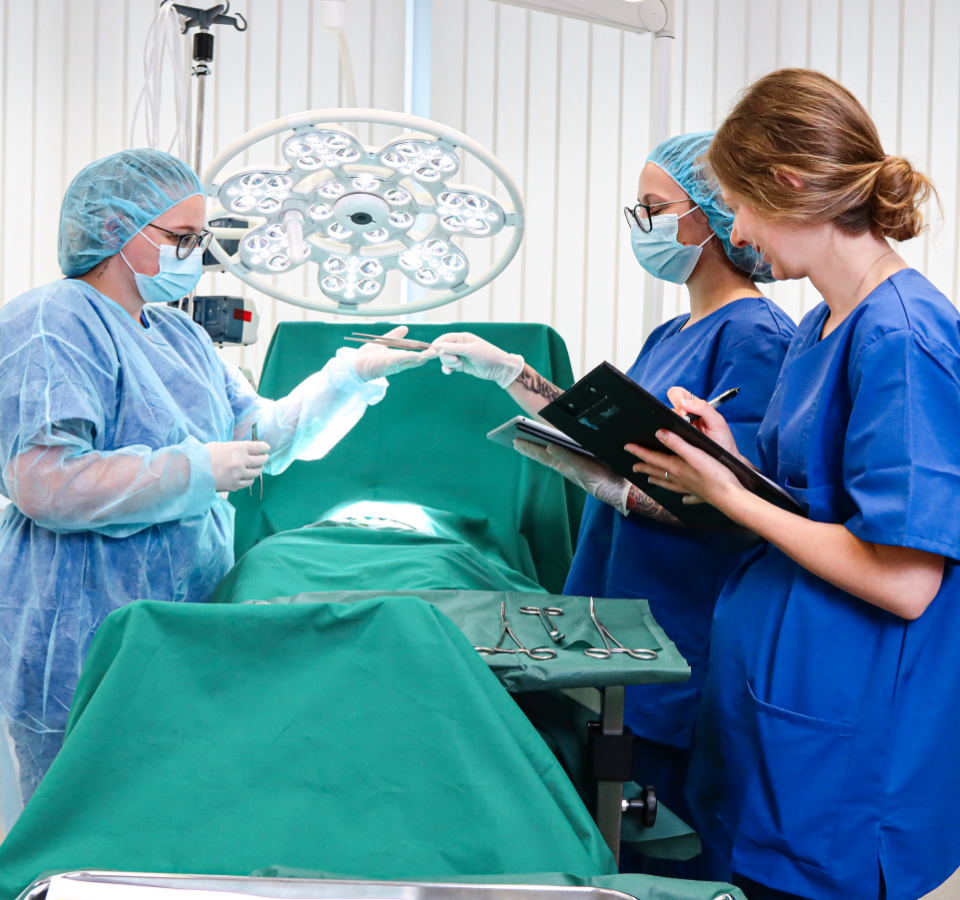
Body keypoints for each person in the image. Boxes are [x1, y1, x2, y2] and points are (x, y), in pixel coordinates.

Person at [0, 149, 433, 814]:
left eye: (201, 240)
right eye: (181, 238)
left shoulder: (180, 336)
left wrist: (348, 378)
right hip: (81, 623)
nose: (195, 256)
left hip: (182, 616)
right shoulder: (55, 320)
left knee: (163, 813)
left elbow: (261, 437)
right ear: (116, 231)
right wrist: (194, 470)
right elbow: (44, 482)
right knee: (76, 823)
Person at [627, 69, 960, 900]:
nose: (734, 230)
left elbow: (907, 578)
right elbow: (811, 498)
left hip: (845, 740)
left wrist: (729, 497)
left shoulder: (904, 336)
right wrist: (731, 460)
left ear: (790, 184)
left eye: (738, 204)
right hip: (778, 710)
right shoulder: (822, 322)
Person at [429, 132, 796, 874]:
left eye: (654, 208)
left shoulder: (757, 336)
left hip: (679, 626)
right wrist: (513, 375)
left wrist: (617, 490)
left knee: (670, 839)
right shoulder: (674, 330)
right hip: (624, 609)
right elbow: (613, 432)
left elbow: (734, 502)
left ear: (713, 216)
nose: (642, 224)